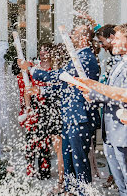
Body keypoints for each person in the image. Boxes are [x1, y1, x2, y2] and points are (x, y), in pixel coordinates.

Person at [18, 25, 100, 195]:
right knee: (69, 160)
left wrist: (32, 69)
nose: (70, 35)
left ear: (84, 38)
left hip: (80, 118)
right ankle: (69, 191)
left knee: (80, 162)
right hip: (70, 117)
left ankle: (84, 192)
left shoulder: (86, 58)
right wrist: (40, 91)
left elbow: (59, 76)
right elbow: (66, 84)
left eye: (75, 33)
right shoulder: (76, 57)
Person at [77, 23, 127, 196]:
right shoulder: (119, 63)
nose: (112, 42)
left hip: (123, 133)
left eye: (117, 38)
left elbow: (124, 95)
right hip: (111, 133)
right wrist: (93, 91)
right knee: (122, 187)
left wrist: (95, 94)